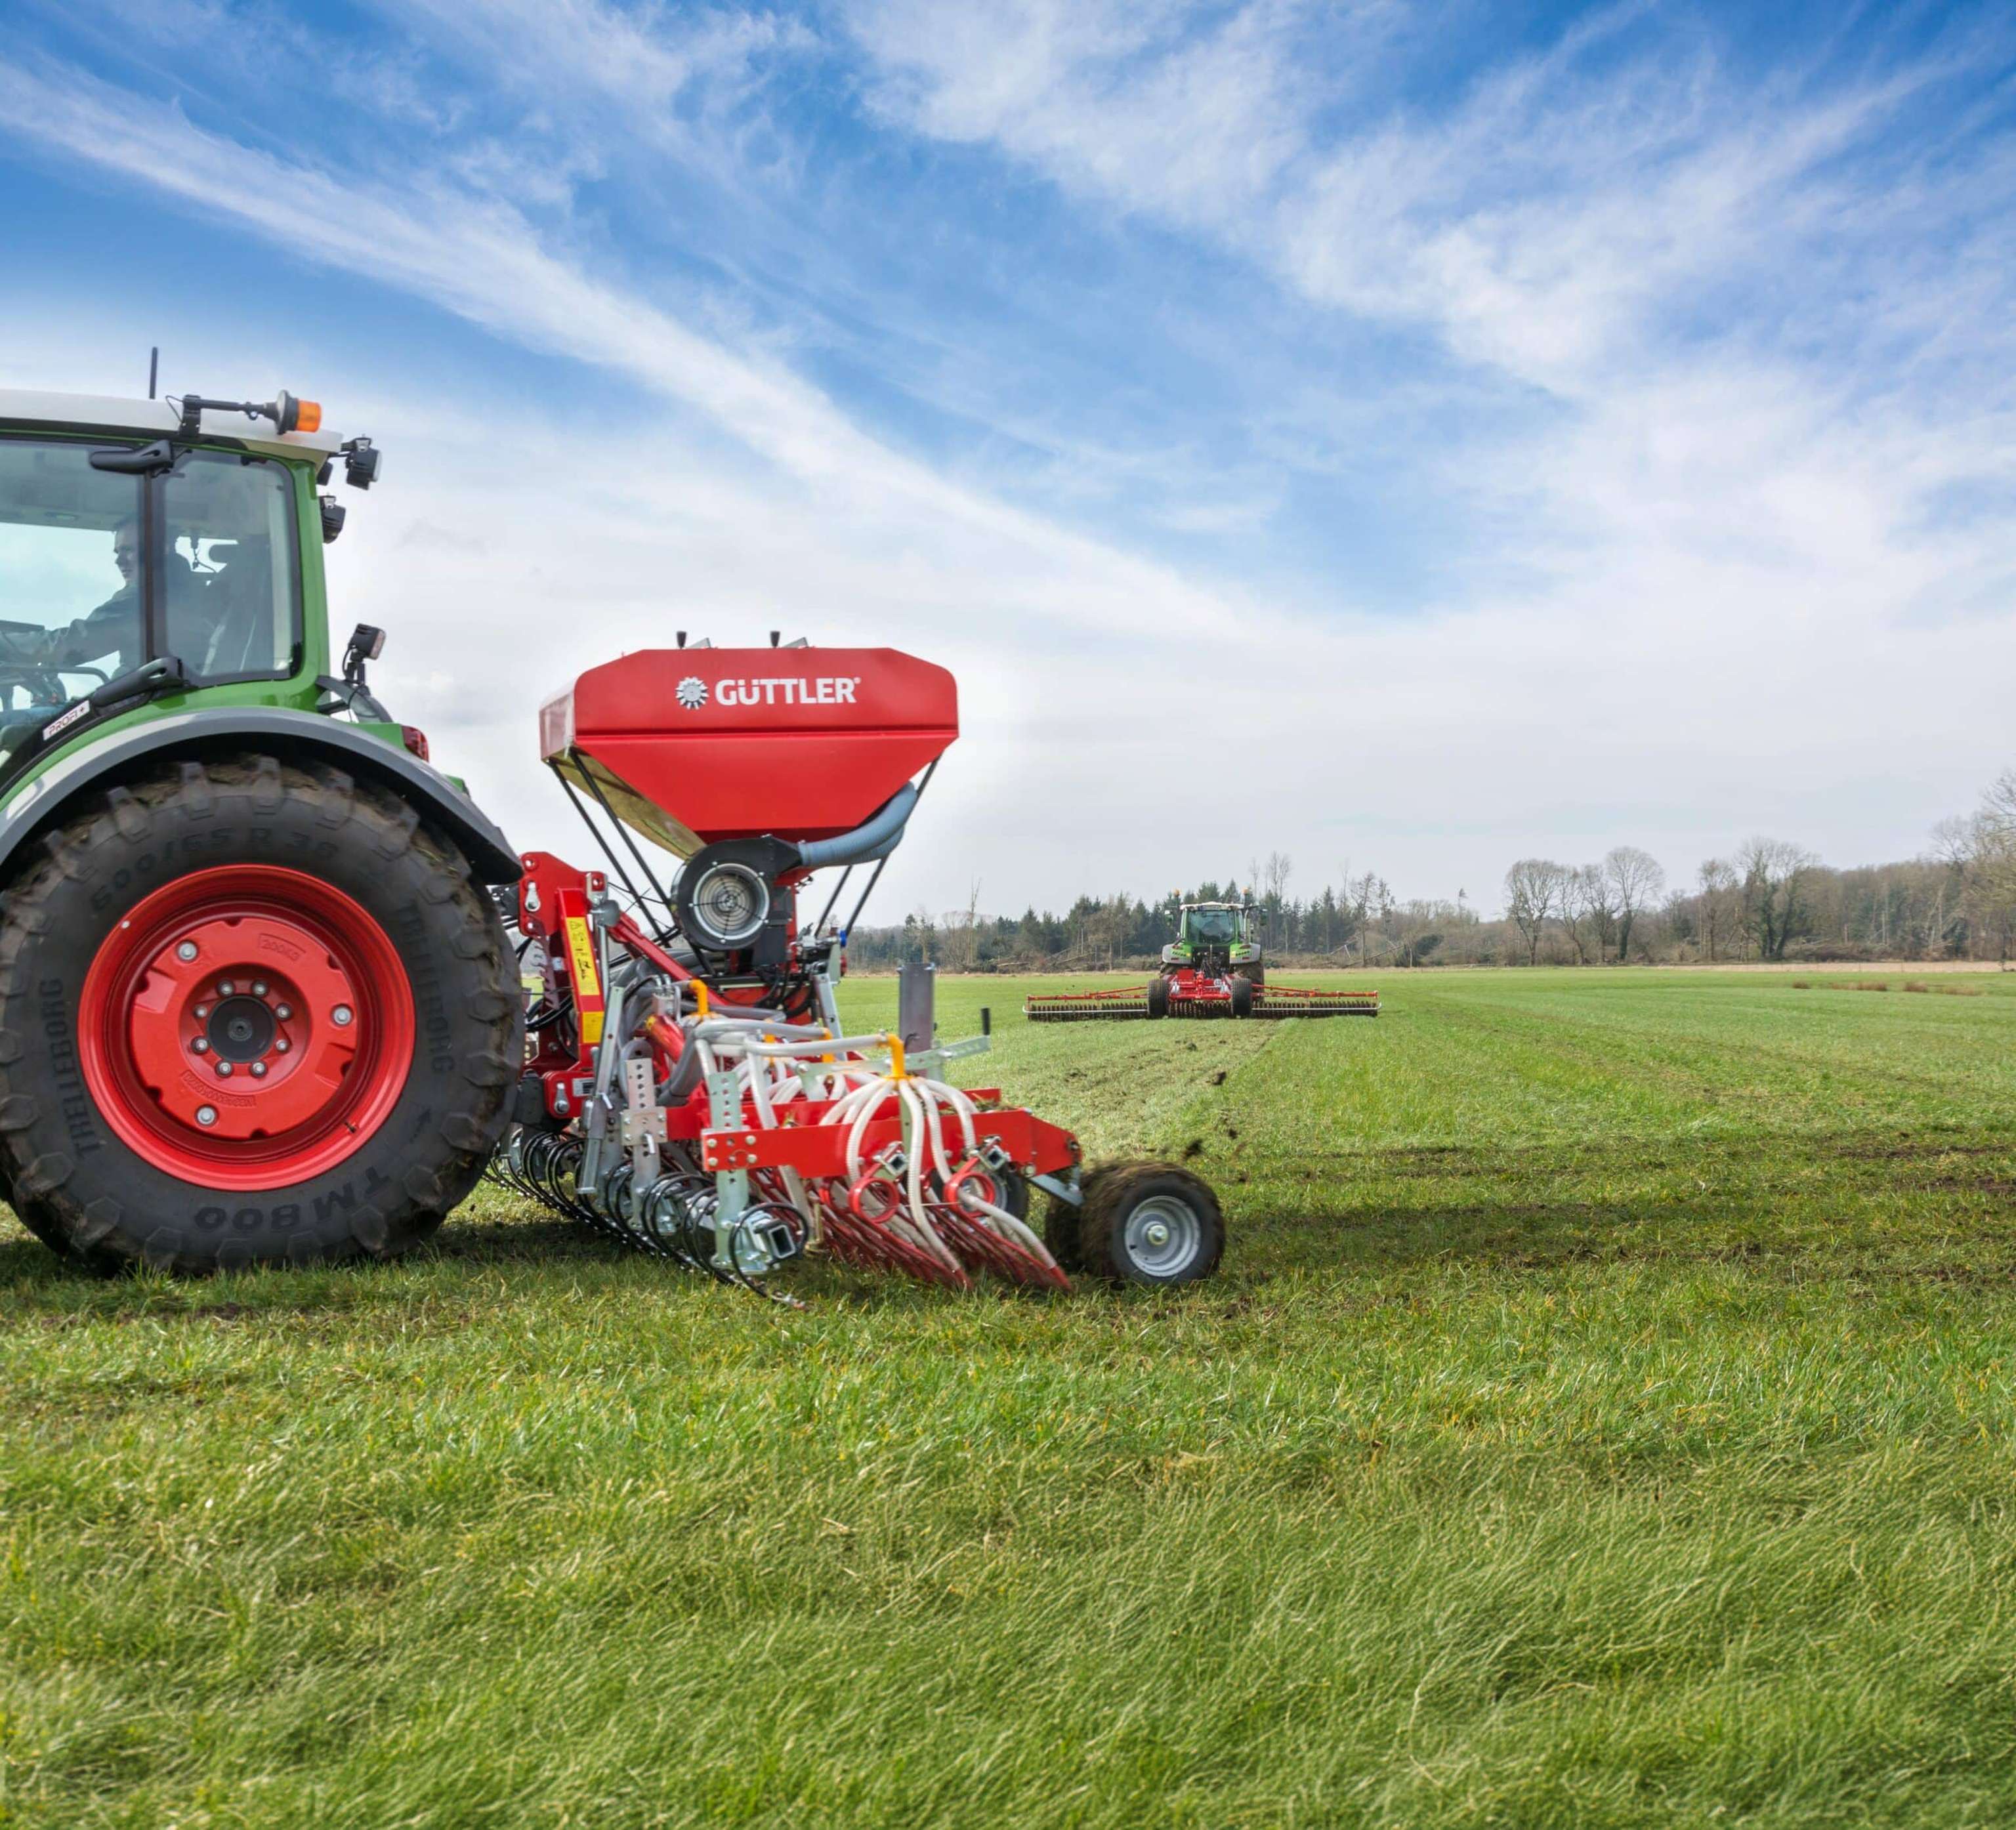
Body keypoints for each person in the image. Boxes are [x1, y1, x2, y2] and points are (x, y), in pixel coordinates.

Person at [0, 518, 144, 680]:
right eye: (118, 553)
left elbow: (79, 642)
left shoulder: (141, 598)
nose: (119, 561)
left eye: (129, 550)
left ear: (162, 548)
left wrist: (6, 644)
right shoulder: (171, 585)